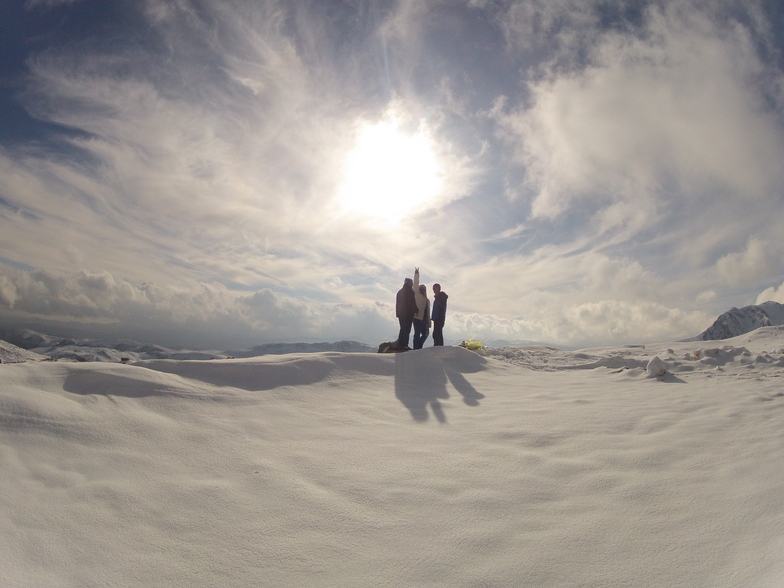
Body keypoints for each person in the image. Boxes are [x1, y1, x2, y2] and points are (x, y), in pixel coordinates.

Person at [395, 275, 418, 350]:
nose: (412, 285)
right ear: (409, 283)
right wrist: (416, 310)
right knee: (407, 329)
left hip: (401, 314)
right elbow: (412, 303)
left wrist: (398, 313)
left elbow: (398, 303)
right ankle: (405, 344)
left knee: (402, 328)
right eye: (411, 283)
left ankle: (400, 343)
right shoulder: (410, 292)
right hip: (408, 314)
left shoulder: (400, 291)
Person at [412, 268, 431, 350]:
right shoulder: (417, 294)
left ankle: (419, 346)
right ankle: (417, 348)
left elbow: (428, 312)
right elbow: (415, 284)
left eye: (424, 289)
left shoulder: (427, 300)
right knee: (417, 334)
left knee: (426, 334)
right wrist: (416, 275)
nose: (422, 290)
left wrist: (429, 322)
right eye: (421, 289)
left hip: (424, 320)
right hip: (417, 318)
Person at [431, 282, 448, 346]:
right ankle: (437, 345)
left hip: (439, 317)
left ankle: (439, 346)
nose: (434, 290)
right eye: (433, 289)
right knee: (436, 333)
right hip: (436, 318)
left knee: (437, 333)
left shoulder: (441, 297)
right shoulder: (438, 298)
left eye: (435, 288)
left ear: (439, 289)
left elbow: (440, 308)